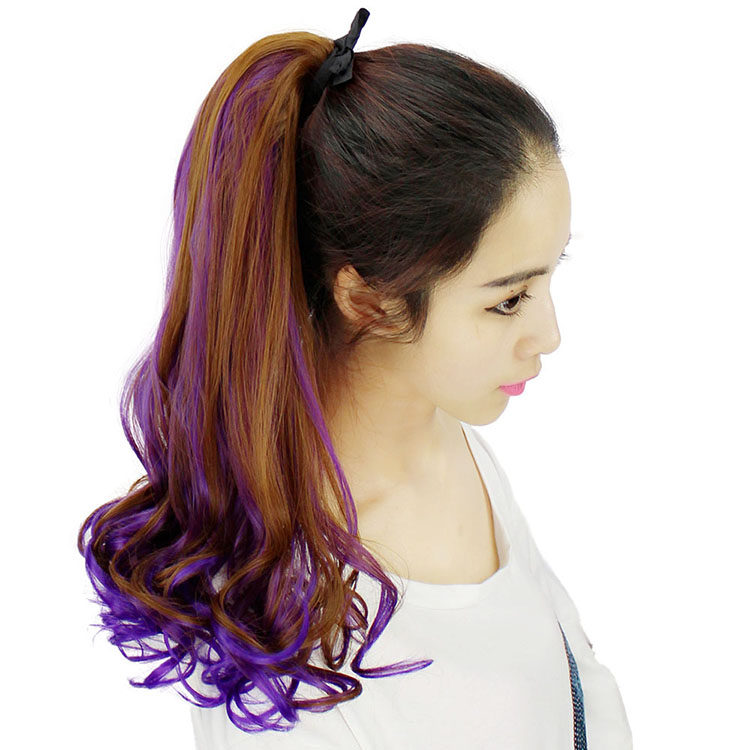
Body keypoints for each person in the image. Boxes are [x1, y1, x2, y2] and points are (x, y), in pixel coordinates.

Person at [78, 8, 633, 749]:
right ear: (368, 300)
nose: (550, 335)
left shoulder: (445, 438)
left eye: (548, 276)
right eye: (508, 300)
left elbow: (567, 678)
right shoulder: (293, 622)